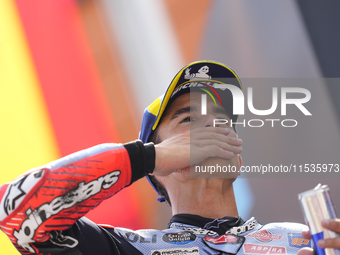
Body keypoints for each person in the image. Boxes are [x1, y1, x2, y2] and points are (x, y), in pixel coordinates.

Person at [0, 60, 339, 255]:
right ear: (158, 167)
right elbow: (14, 213)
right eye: (188, 119)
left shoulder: (301, 239)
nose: (213, 126)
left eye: (221, 119)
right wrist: (142, 157)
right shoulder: (130, 249)